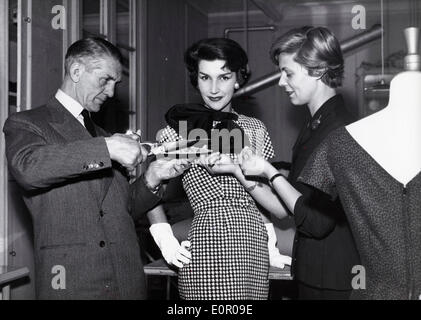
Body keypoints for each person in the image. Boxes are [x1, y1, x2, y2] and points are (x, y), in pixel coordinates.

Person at [3, 37, 191, 300]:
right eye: (105, 80)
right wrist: (107, 148)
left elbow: (120, 211)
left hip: (127, 281)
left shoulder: (101, 134)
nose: (112, 93)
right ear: (76, 71)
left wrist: (151, 179)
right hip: (73, 282)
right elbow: (28, 168)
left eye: (116, 83)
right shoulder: (27, 123)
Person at [148, 38, 290, 300]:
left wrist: (269, 235)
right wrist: (162, 233)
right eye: (205, 78)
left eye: (223, 77)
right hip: (204, 243)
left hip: (252, 246)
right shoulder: (175, 130)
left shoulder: (256, 129)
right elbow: (150, 185)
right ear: (196, 79)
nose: (214, 88)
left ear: (237, 78)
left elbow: (267, 197)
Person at [236, 26, 360, 300]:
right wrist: (241, 172)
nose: (281, 82)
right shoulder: (318, 125)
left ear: (316, 71)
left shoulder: (337, 130)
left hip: (333, 281)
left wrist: (269, 171)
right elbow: (287, 208)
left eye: (288, 73)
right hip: (318, 273)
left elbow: (316, 222)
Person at [297, 27, 421, 299]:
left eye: (290, 72)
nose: (285, 81)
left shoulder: (339, 138)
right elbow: (315, 216)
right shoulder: (341, 145)